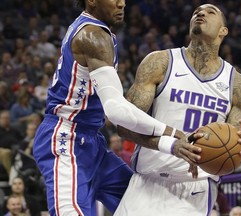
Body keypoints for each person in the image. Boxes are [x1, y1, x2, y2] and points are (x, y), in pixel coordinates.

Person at [33, 0, 199, 215]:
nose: (122, 3)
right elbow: (116, 110)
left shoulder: (100, 32)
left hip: (92, 143)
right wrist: (174, 134)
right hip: (65, 138)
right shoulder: (92, 35)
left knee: (148, 208)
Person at [114, 4, 241, 216]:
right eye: (197, 10)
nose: (201, 13)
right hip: (147, 181)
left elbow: (233, 146)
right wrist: (171, 146)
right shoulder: (160, 62)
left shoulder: (237, 84)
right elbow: (124, 126)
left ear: (223, 31)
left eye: (210, 12)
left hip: (196, 189)